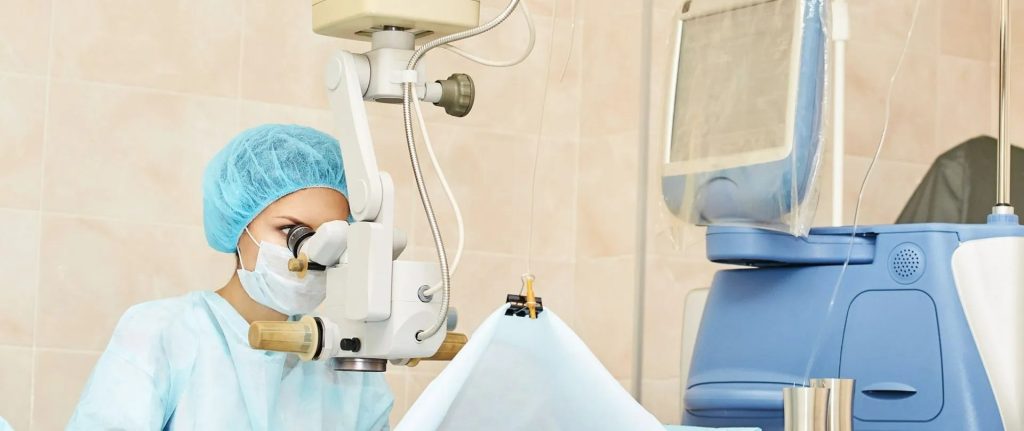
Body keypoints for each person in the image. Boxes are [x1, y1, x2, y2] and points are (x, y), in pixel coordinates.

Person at [68, 124, 393, 430]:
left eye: (330, 238)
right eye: (292, 231)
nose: (313, 254)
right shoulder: (162, 333)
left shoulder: (346, 359)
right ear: (240, 226)